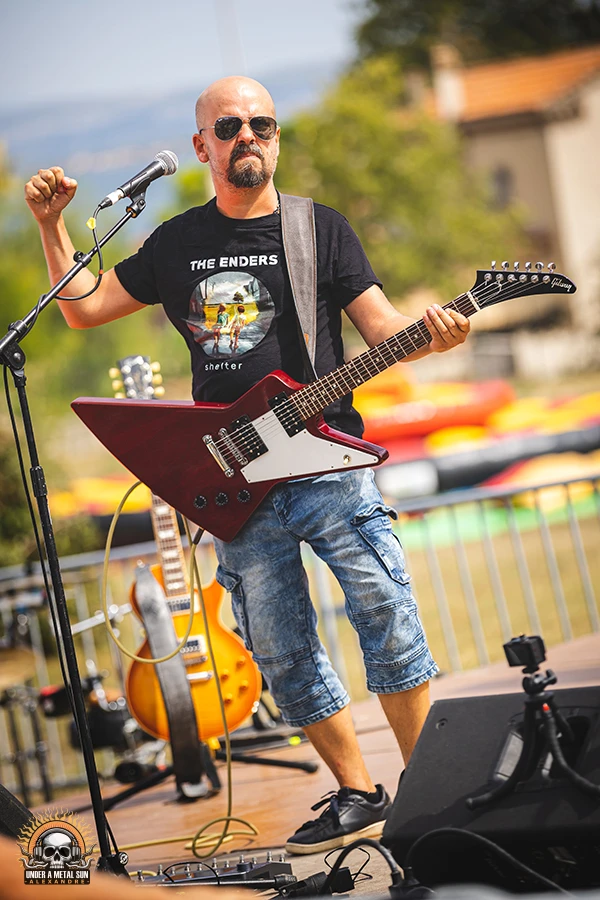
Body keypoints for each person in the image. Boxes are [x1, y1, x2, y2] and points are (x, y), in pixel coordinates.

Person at [24, 75, 470, 855]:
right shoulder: (175, 243)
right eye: (229, 126)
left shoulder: (319, 230)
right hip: (233, 481)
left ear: (275, 137)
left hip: (329, 465)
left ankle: (428, 793)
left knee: (387, 616)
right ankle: (358, 793)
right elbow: (84, 305)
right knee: (280, 650)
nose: (248, 137)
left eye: (261, 123)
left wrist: (432, 331)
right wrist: (51, 224)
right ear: (202, 147)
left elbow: (382, 325)